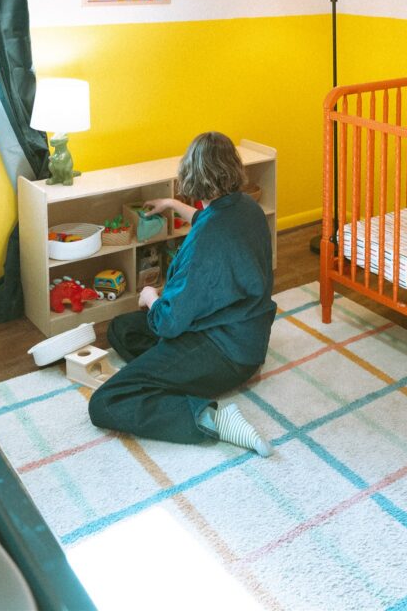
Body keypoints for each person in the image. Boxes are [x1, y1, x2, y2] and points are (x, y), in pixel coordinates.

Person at [88, 132, 276, 456]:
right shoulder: (247, 207)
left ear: (191, 175)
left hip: (224, 351)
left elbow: (168, 323)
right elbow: (210, 217)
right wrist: (173, 204)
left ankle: (212, 418)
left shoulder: (204, 245)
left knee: (106, 402)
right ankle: (165, 377)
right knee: (121, 328)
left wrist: (149, 296)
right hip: (249, 338)